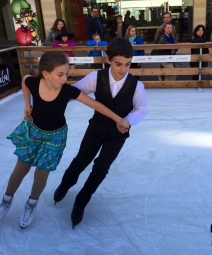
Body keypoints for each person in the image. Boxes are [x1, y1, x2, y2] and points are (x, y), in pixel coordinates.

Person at [0, 51, 130, 229]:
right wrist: (27, 104)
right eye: (60, 74)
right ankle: (6, 200)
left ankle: (31, 203)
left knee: (41, 172)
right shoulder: (35, 82)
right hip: (33, 132)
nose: (64, 78)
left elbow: (96, 105)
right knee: (21, 166)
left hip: (55, 136)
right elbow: (24, 80)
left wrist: (119, 119)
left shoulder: (68, 91)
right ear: (46, 74)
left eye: (66, 73)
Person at [53, 37, 148, 229]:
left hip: (117, 135)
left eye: (127, 64)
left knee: (101, 168)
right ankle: (66, 183)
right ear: (108, 60)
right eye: (118, 64)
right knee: (81, 160)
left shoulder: (136, 85)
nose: (123, 69)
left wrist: (128, 121)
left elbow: (142, 108)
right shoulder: (96, 77)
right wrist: (51, 102)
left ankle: (82, 200)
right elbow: (74, 92)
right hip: (96, 128)